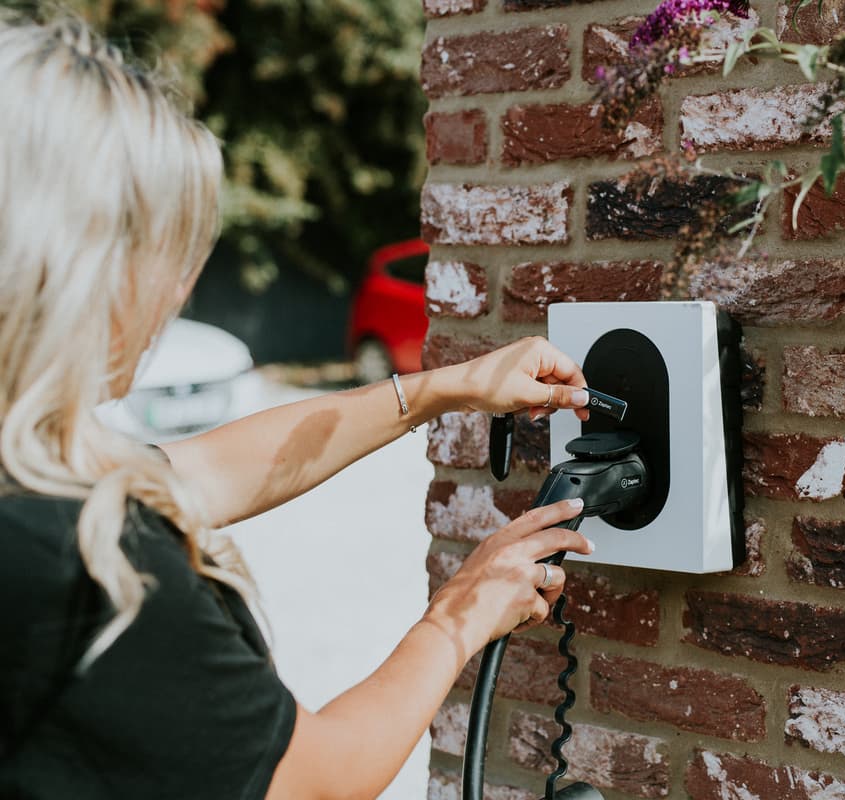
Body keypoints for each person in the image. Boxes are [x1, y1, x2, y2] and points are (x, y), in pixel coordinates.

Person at [0, 15, 595, 799]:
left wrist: (442, 389)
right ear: (85, 271)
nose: (178, 293)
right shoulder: (82, 563)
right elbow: (315, 779)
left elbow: (208, 470)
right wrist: (462, 611)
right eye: (174, 257)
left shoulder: (30, 489)